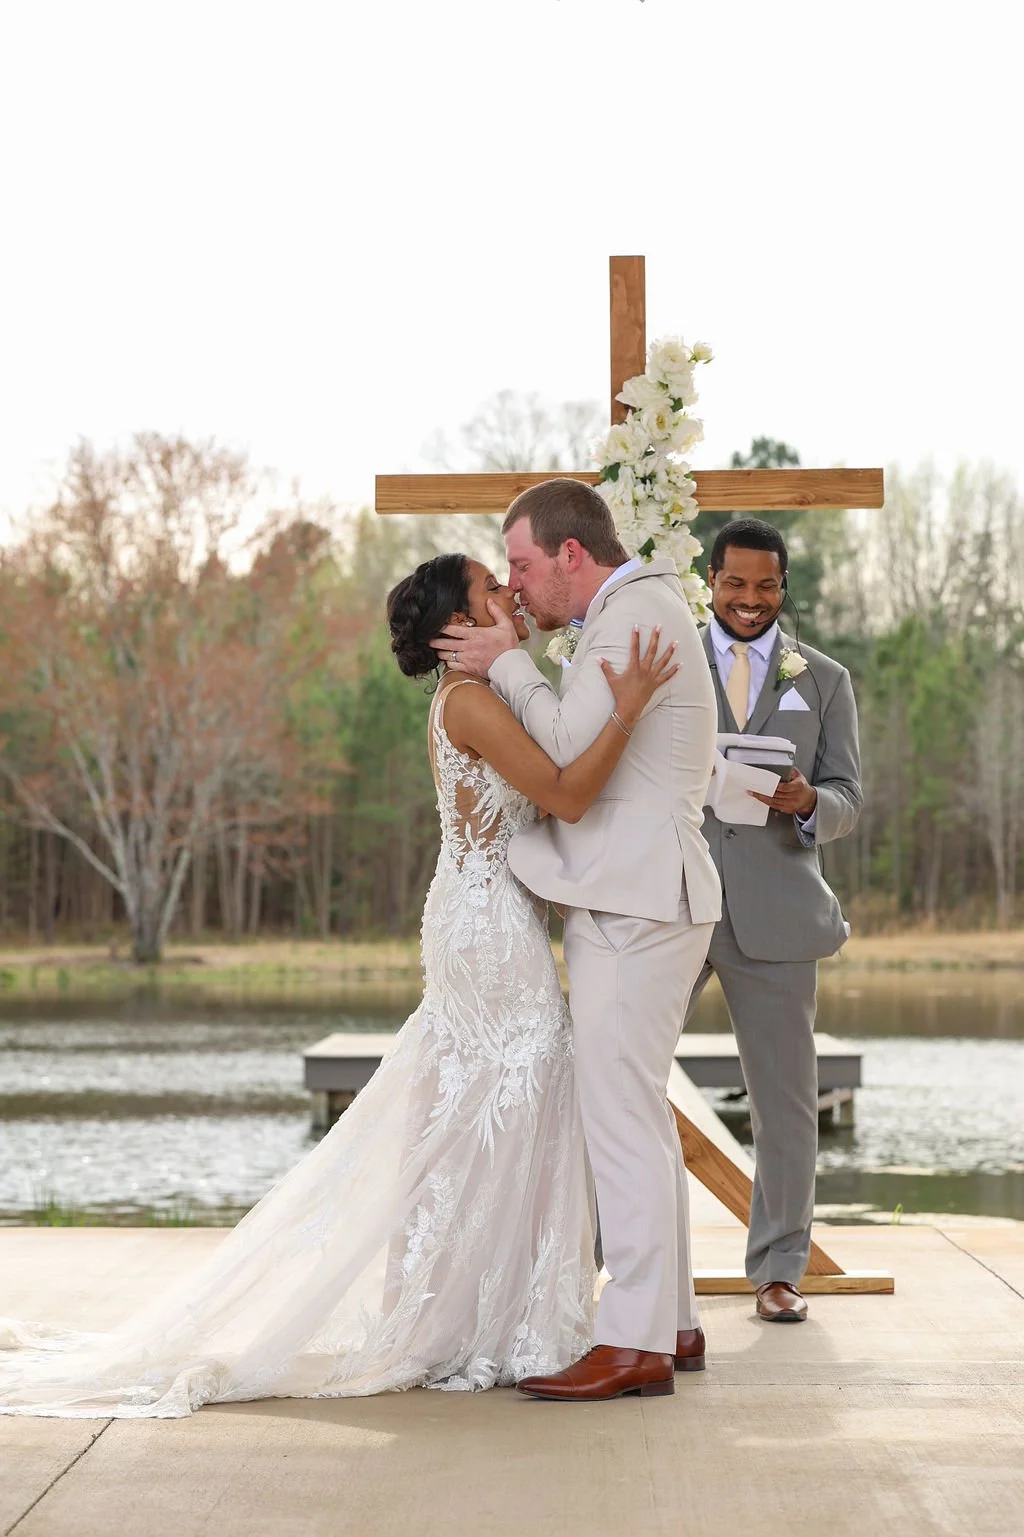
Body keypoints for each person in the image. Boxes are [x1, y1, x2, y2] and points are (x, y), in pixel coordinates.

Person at [0, 552, 678, 1417]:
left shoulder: (493, 693)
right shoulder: (469, 700)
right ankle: (476, 1322)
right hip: (488, 927)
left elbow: (541, 803)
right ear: (458, 628)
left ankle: (478, 1314)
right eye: (488, 588)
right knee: (515, 1097)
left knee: (487, 1108)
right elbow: (566, 797)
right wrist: (627, 711)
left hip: (487, 914)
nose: (508, 591)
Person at [431, 478, 721, 1402]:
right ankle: (669, 1318)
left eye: (519, 564)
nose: (514, 589)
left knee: (620, 1119)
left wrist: (510, 658)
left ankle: (633, 1338)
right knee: (637, 1114)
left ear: (568, 555)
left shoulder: (631, 616)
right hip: (641, 894)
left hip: (637, 903)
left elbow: (560, 746)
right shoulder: (634, 609)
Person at [691, 517, 863, 1322]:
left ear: (782, 587)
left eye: (765, 586)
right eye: (735, 583)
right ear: (711, 581)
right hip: (672, 900)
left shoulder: (823, 678)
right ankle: (597, 1258)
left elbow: (847, 798)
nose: (750, 600)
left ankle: (778, 1270)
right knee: (610, 1076)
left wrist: (807, 805)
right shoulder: (666, 663)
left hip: (780, 914)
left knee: (786, 1103)